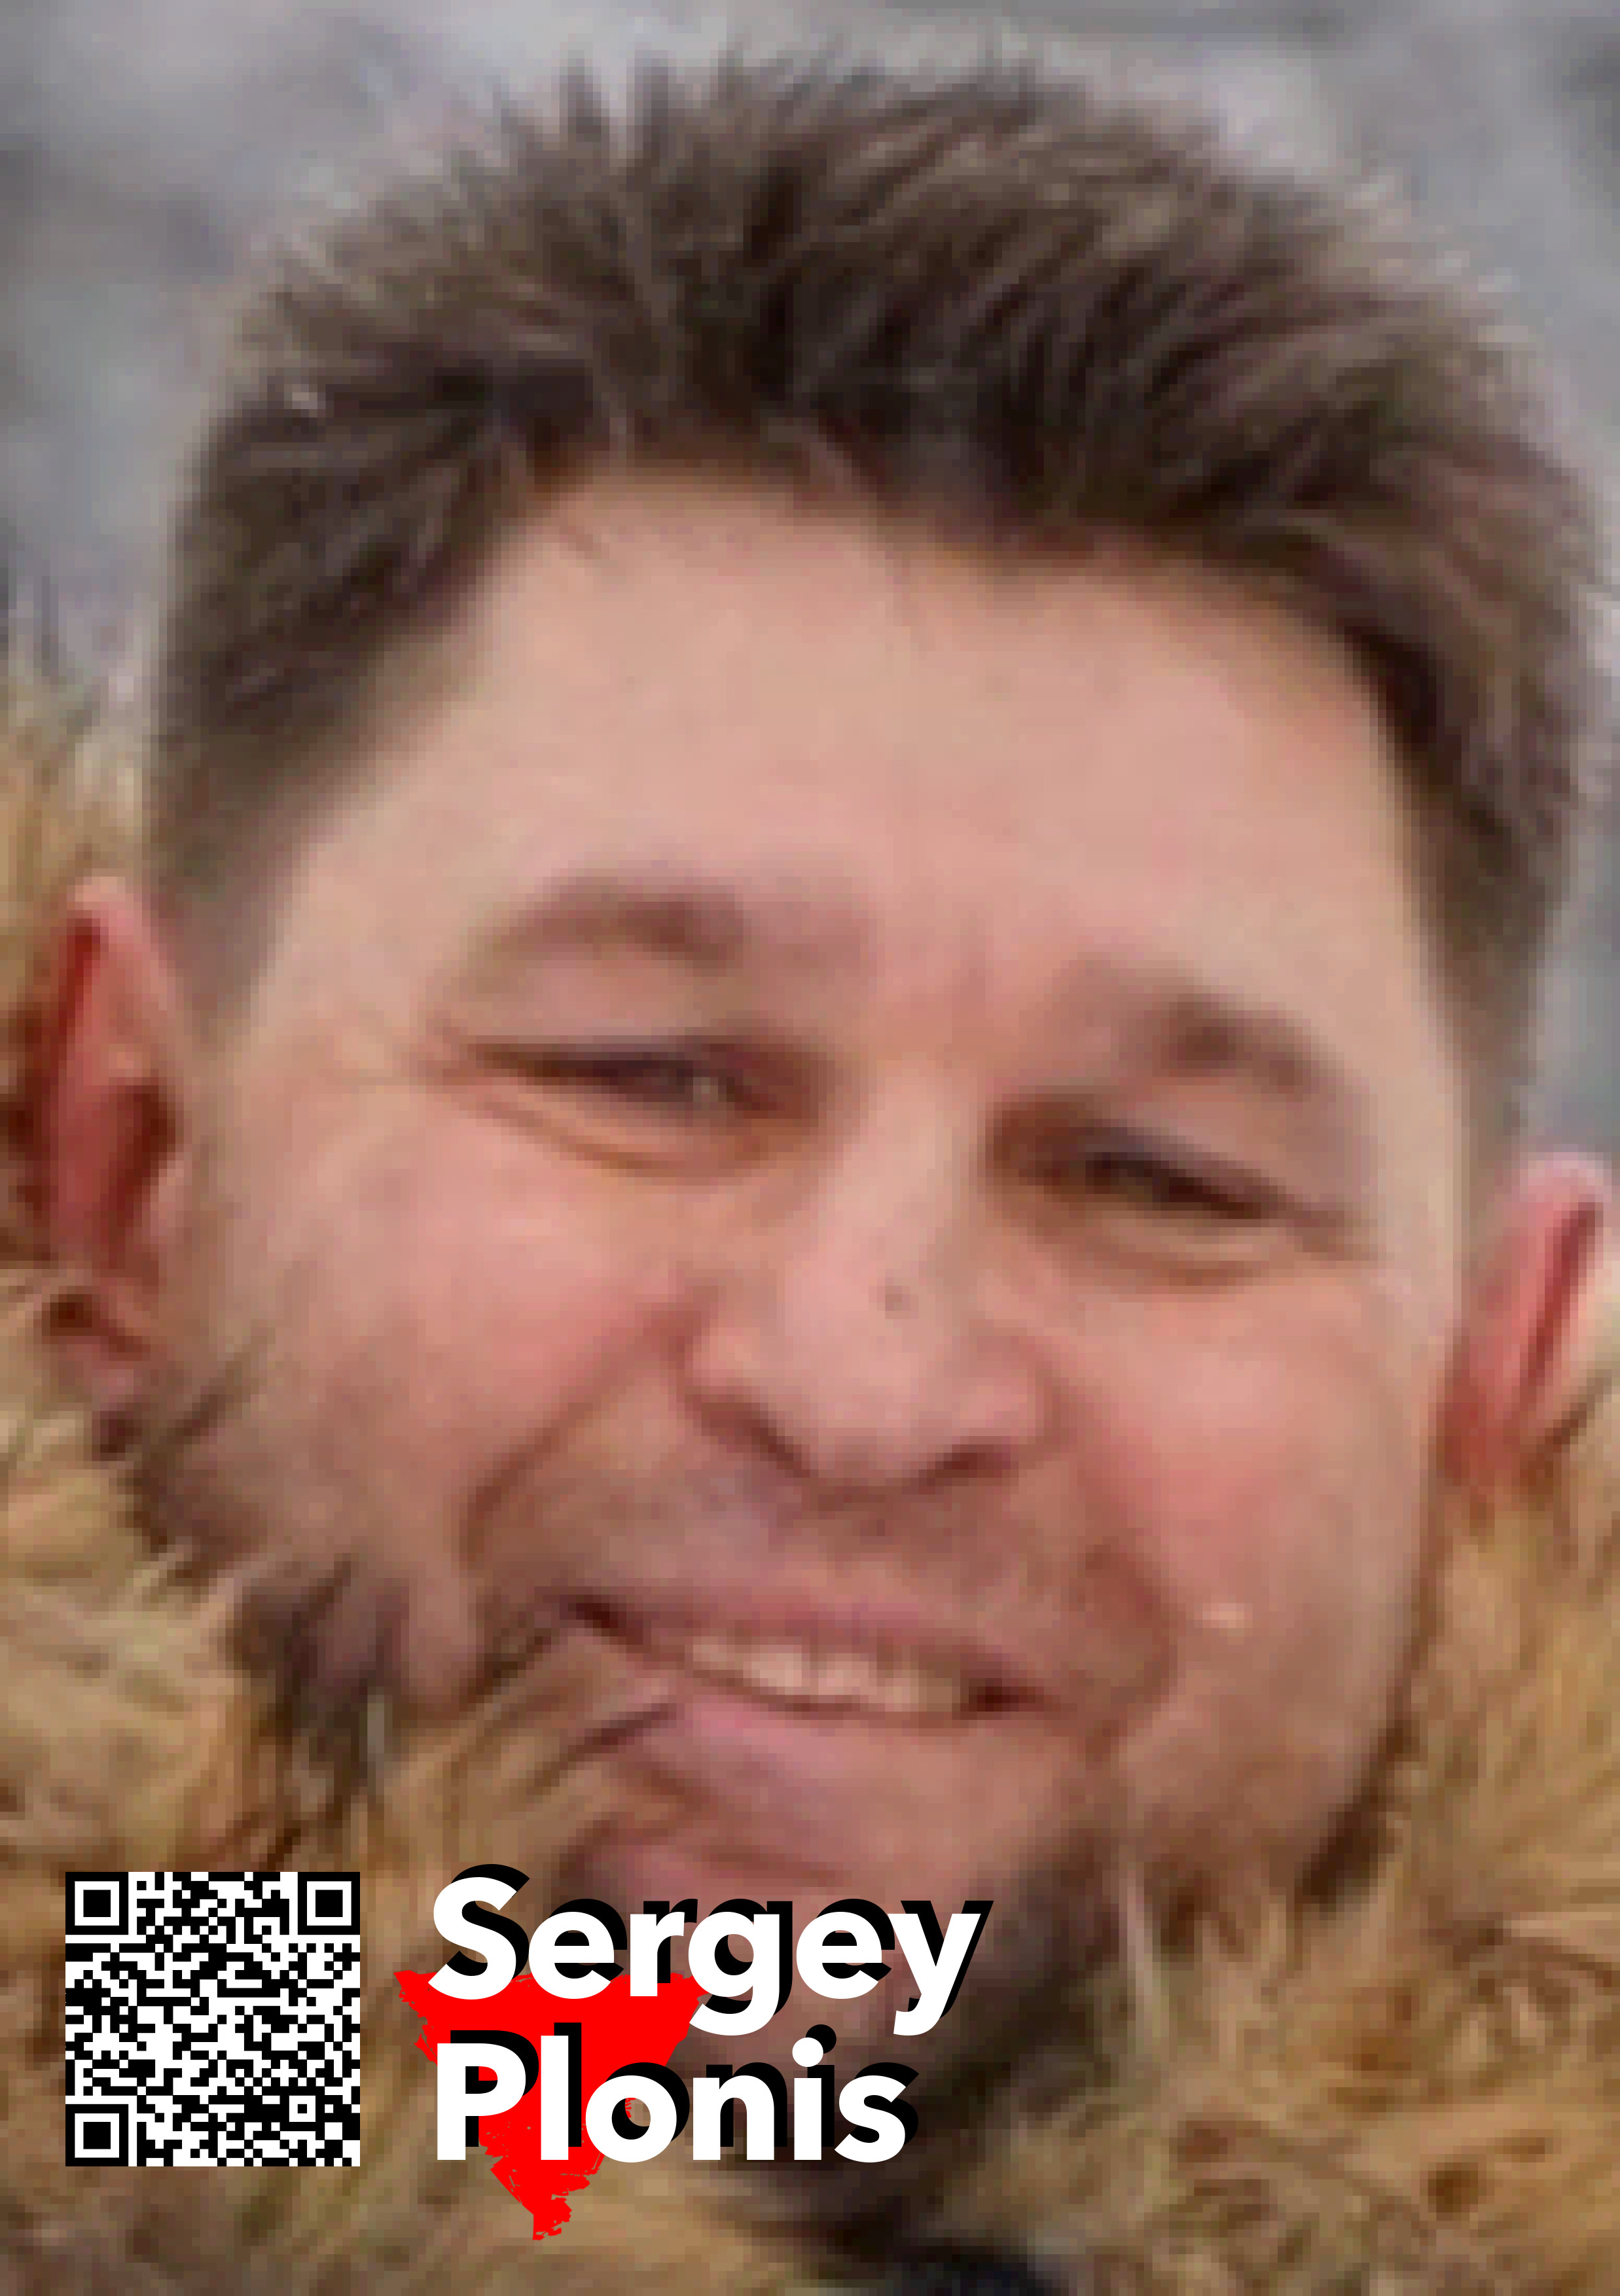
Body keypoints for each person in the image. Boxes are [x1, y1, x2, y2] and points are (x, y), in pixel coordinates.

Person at [2, 48, 1616, 2296]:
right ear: (129, 1160)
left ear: (1494, 1384)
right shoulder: (167, 2061)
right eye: (653, 1077)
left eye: (1155, 1178)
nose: (863, 1385)